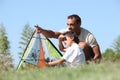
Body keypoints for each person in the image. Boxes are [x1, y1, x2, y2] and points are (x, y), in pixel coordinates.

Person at [35, 14, 102, 63]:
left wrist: (91, 65)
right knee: (48, 59)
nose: (69, 27)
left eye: (71, 24)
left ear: (79, 24)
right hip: (71, 62)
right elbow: (53, 34)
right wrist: (42, 31)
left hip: (87, 61)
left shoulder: (88, 36)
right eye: (68, 24)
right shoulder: (67, 32)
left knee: (82, 45)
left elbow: (98, 55)